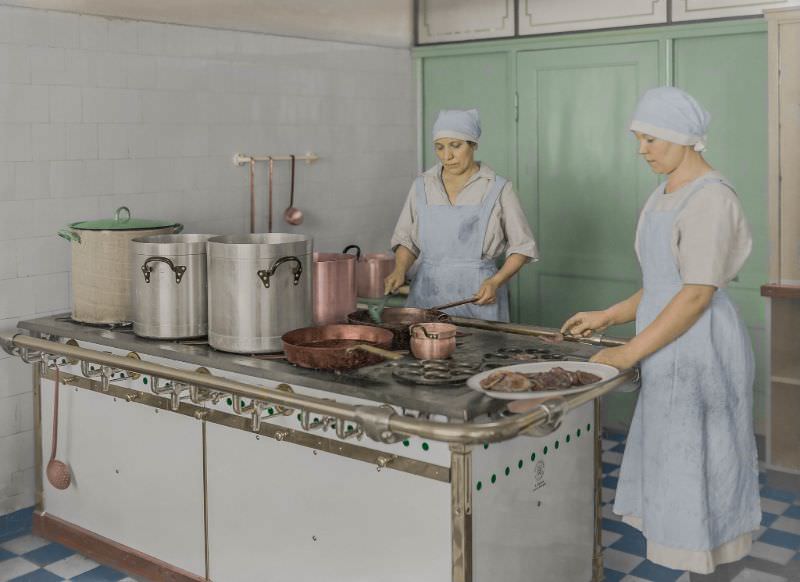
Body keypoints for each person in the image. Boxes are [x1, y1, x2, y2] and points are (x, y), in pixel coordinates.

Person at [561, 86, 761, 575]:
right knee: (675, 468)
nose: (642, 149)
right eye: (639, 138)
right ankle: (688, 563)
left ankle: (710, 567)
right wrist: (609, 315)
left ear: (683, 137)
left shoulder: (710, 198)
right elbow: (661, 284)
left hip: (701, 351)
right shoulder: (664, 193)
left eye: (651, 138)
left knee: (703, 467)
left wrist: (627, 354)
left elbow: (696, 294)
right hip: (668, 344)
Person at [385, 109, 538, 322]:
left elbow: (522, 247)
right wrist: (400, 269)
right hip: (426, 296)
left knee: (479, 352)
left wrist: (495, 282)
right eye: (440, 147)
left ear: (473, 144)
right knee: (425, 351)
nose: (447, 156)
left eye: (455, 146)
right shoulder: (422, 186)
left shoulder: (498, 188)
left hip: (478, 297)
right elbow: (407, 241)